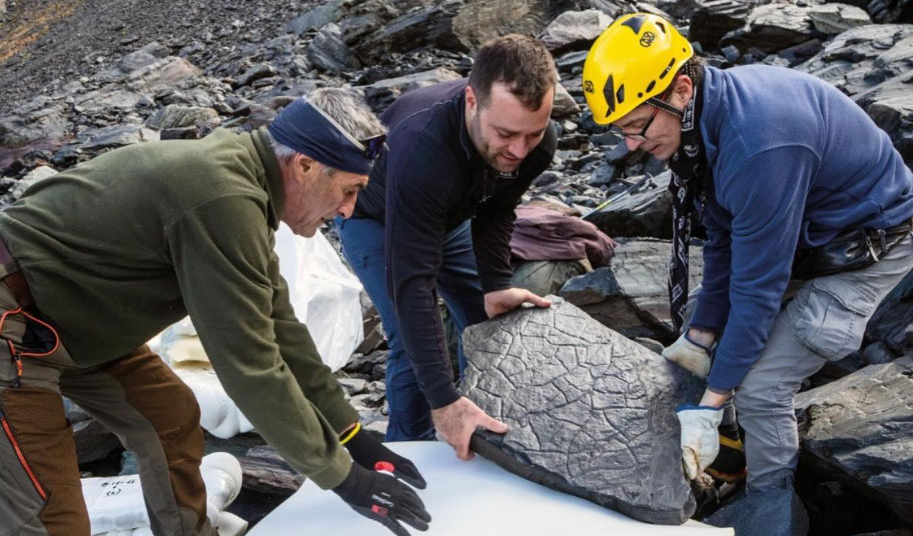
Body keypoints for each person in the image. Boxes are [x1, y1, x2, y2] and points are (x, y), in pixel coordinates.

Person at [0, 88, 431, 536]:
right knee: (50, 531)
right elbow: (251, 367)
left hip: (73, 312)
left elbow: (282, 330)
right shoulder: (223, 198)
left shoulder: (244, 190)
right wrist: (342, 478)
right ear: (305, 166)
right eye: (348, 190)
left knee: (168, 417)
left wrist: (353, 436)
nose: (350, 210)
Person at [581, 13, 913, 492]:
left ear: (679, 90)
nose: (633, 145)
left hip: (867, 249)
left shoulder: (758, 145)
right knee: (705, 327)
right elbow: (724, 242)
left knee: (760, 389)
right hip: (808, 234)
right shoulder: (704, 122)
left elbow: (758, 290)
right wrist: (698, 338)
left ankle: (767, 507)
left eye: (637, 126)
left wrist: (712, 401)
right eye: (622, 132)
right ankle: (730, 452)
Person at [337, 34, 559, 455]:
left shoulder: (536, 141)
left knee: (487, 318)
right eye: (506, 133)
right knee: (411, 334)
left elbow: (497, 208)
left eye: (532, 135)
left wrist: (495, 283)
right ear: (472, 101)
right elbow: (413, 283)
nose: (518, 150)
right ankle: (409, 450)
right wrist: (442, 399)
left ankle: (490, 428)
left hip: (453, 212)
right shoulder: (421, 144)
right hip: (377, 218)